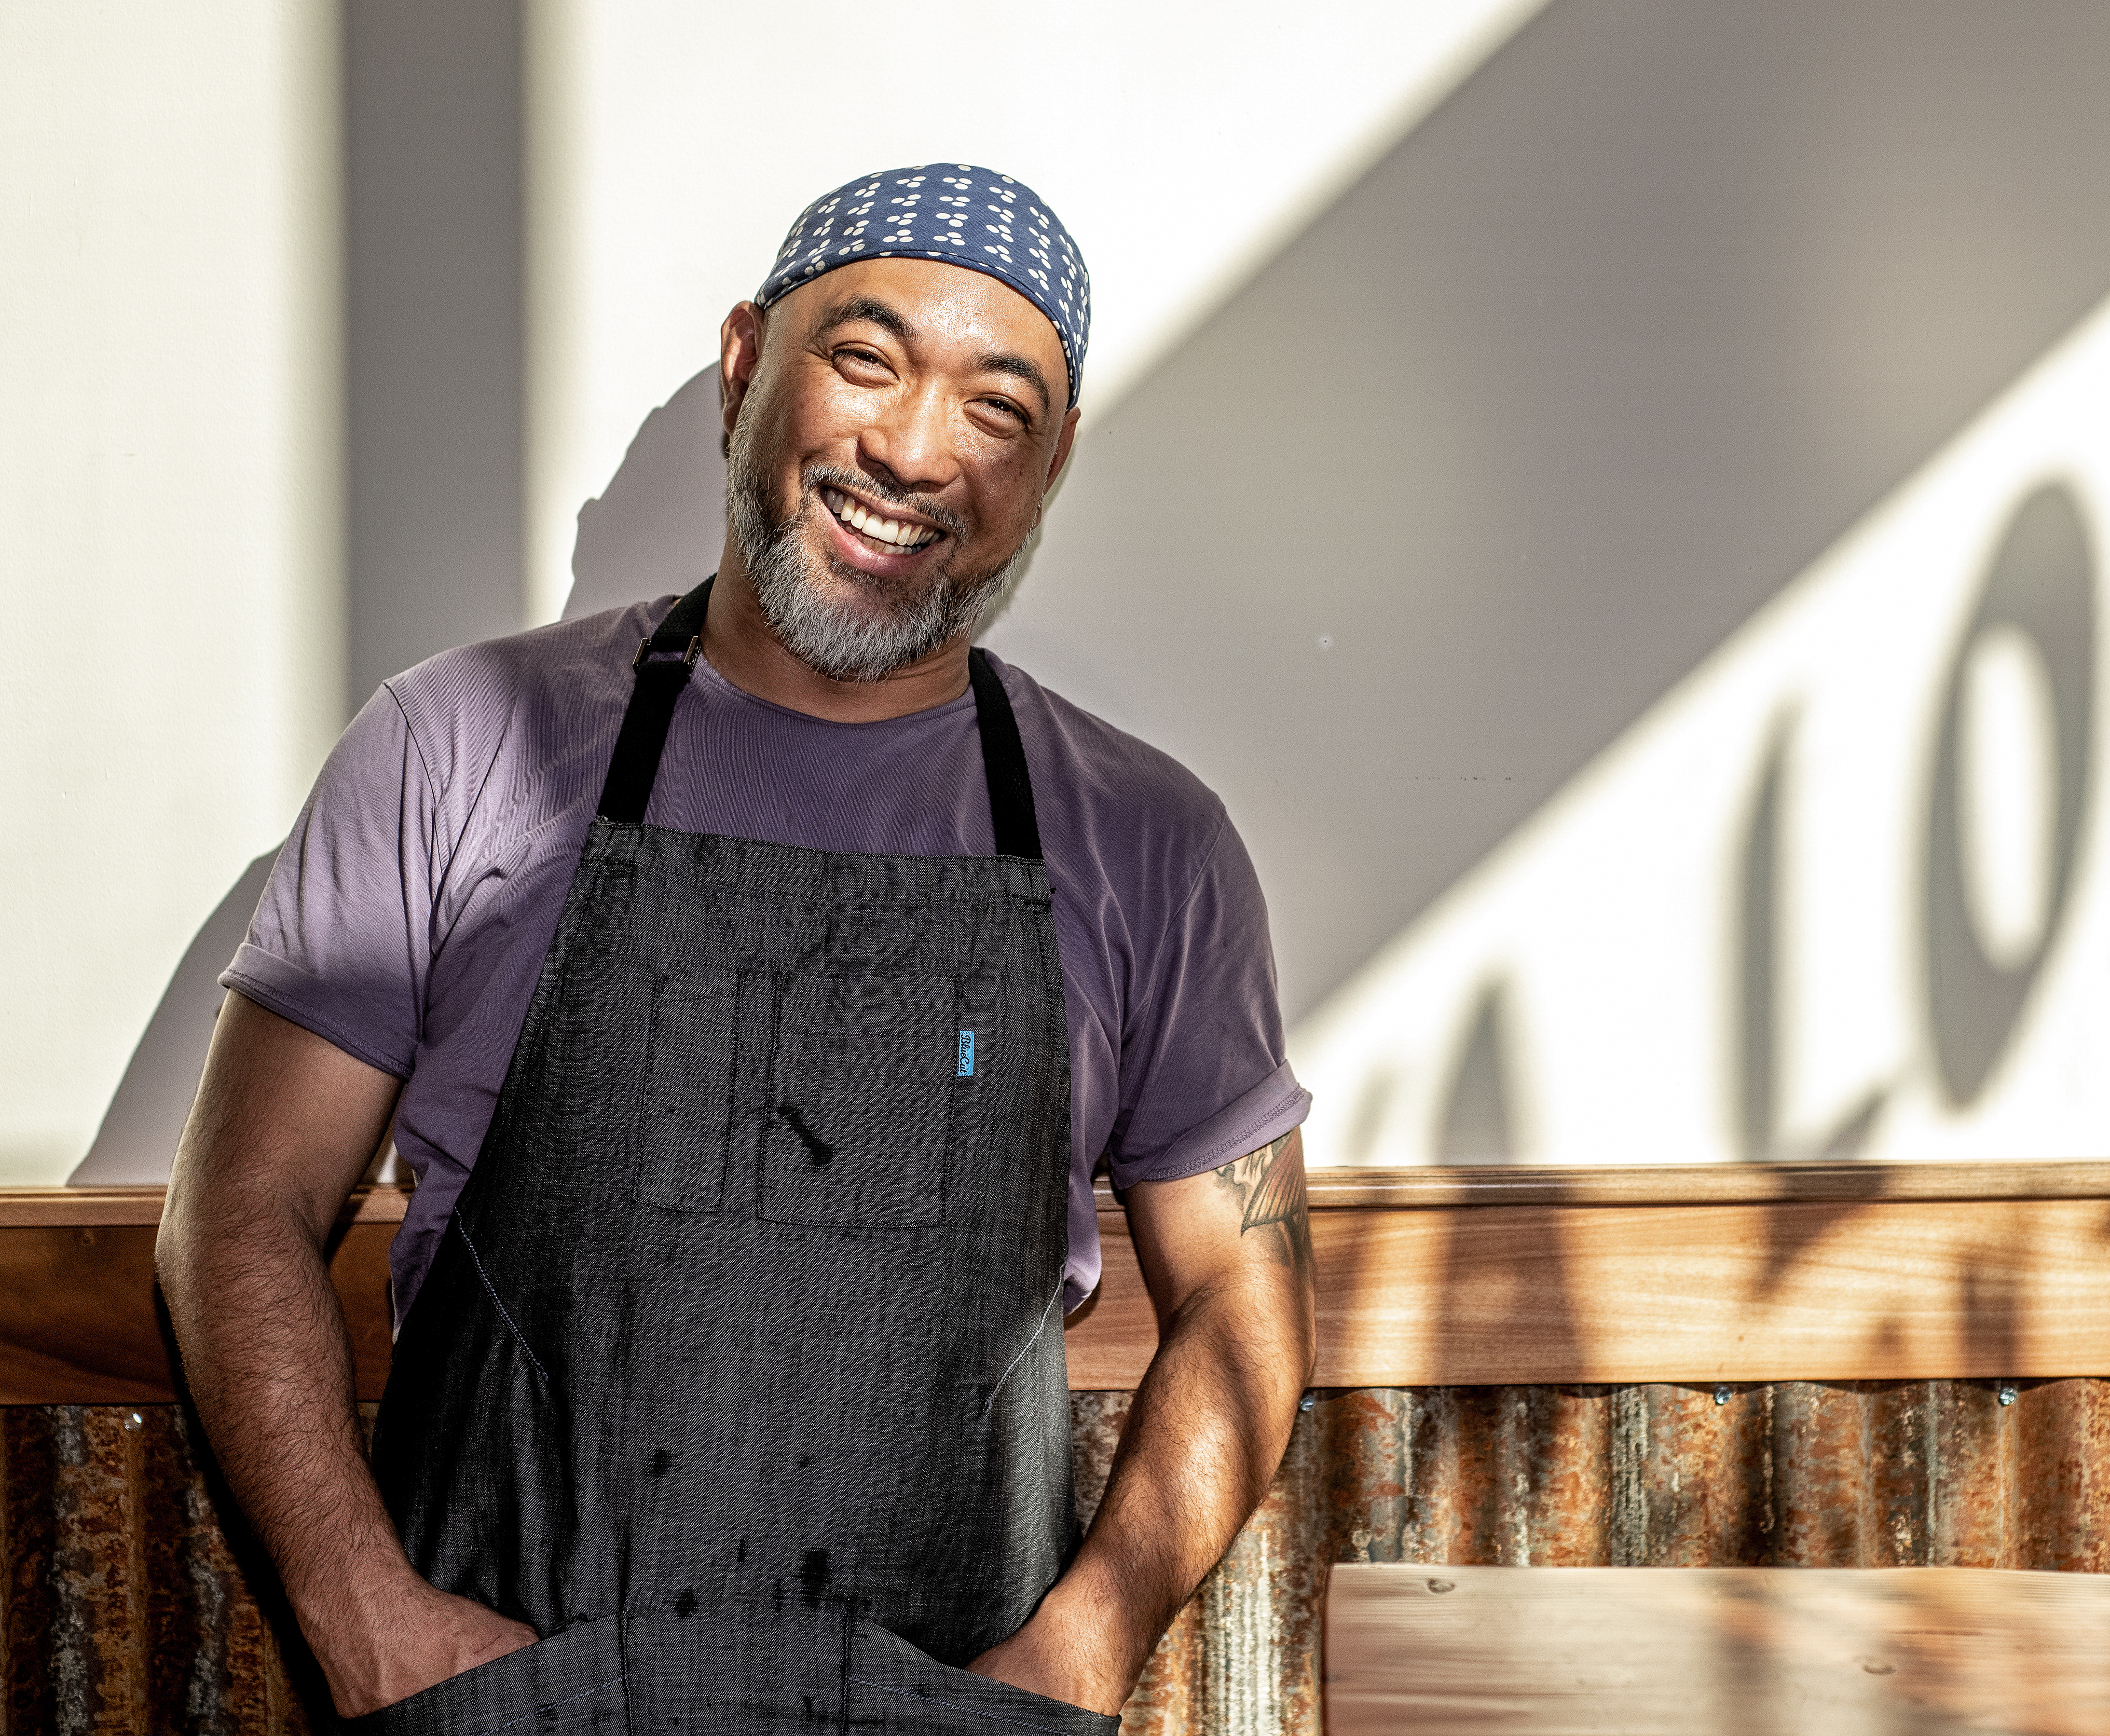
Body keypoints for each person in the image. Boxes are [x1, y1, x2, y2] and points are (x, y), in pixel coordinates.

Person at [156, 165, 1316, 1733]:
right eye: (864, 359)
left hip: (946, 1712)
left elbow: (1247, 1306)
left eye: (999, 409)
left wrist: (1082, 1652)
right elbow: (240, 1210)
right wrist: (370, 1629)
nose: (912, 450)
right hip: (506, 1705)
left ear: (1048, 474)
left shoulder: (1148, 843)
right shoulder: (457, 749)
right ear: (741, 369)